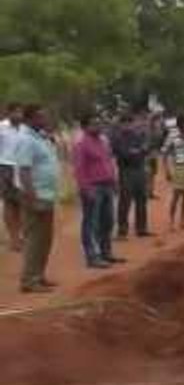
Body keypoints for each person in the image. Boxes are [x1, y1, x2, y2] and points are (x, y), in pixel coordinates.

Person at [14, 105, 60, 293]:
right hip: (35, 195)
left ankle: (38, 276)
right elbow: (24, 171)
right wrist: (32, 198)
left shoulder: (39, 137)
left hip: (46, 195)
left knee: (45, 239)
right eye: (41, 117)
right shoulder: (25, 140)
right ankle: (29, 280)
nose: (45, 119)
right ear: (30, 119)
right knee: (34, 239)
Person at [73, 114, 125, 269]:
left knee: (108, 221)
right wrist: (86, 189)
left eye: (99, 123)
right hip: (93, 187)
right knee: (91, 223)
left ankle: (106, 252)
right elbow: (79, 169)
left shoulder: (103, 140)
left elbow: (109, 161)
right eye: (94, 123)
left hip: (107, 184)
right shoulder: (81, 144)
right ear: (85, 126)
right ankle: (92, 256)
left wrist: (114, 181)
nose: (98, 126)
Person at [112, 112, 152, 239]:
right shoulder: (118, 138)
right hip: (126, 171)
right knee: (125, 201)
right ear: (121, 124)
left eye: (130, 122)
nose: (128, 125)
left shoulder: (138, 136)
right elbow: (124, 154)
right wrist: (138, 151)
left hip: (139, 169)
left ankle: (142, 228)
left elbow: (146, 150)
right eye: (125, 123)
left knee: (142, 199)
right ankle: (122, 230)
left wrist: (136, 151)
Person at [162, 116, 184, 232]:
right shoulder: (172, 136)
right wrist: (167, 170)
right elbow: (165, 153)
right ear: (180, 125)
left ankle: (183, 221)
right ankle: (171, 223)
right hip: (179, 167)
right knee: (176, 196)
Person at [0, 102, 25, 252]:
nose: (19, 115)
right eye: (15, 112)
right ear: (9, 113)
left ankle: (21, 235)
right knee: (9, 203)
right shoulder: (1, 127)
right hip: (5, 166)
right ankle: (13, 238)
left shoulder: (24, 129)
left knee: (21, 203)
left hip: (22, 167)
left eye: (20, 112)